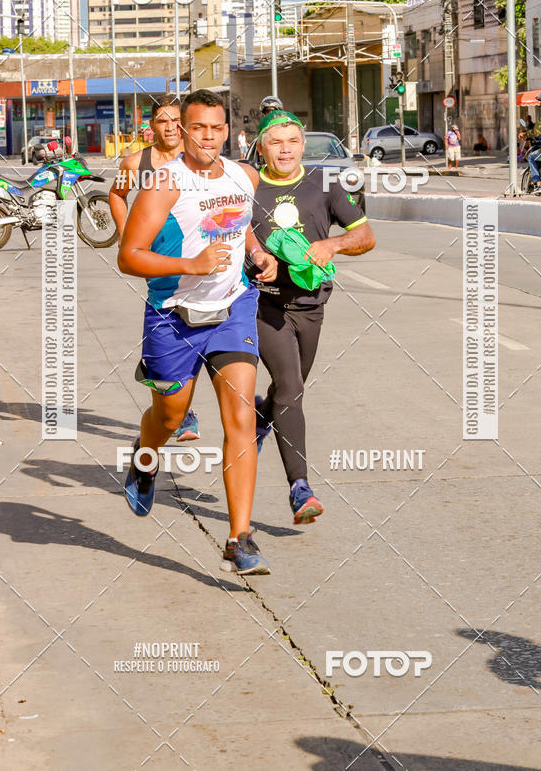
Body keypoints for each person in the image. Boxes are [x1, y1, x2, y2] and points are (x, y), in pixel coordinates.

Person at [118, 89, 278, 575]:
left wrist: (258, 254)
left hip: (233, 308)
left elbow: (240, 224)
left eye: (216, 127)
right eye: (198, 128)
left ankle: (239, 538)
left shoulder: (243, 175)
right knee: (169, 417)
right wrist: (191, 263)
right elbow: (128, 256)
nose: (208, 136)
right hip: (174, 314)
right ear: (183, 131)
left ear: (227, 129)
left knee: (241, 421)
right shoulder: (165, 183)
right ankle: (145, 459)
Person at [248, 109, 375, 523]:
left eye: (292, 142)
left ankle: (258, 417)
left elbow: (365, 235)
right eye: (275, 142)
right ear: (261, 147)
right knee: (291, 388)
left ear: (302, 145)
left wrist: (333, 246)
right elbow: (229, 231)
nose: (284, 149)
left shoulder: (324, 183)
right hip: (264, 304)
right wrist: (257, 256)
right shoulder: (248, 186)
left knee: (291, 387)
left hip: (312, 306)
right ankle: (300, 488)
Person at [109, 93, 199, 442]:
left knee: (198, 335)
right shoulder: (136, 164)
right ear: (152, 126)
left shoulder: (197, 160)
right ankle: (183, 411)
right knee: (173, 332)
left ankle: (181, 409)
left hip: (198, 261)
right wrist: (124, 235)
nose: (172, 127)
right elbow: (117, 195)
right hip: (158, 262)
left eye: (177, 120)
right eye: (163, 120)